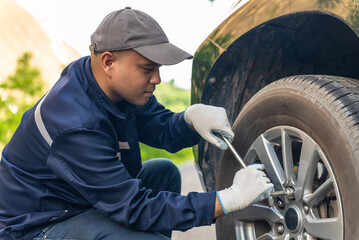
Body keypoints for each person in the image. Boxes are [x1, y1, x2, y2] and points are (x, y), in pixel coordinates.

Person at [0, 7, 274, 240]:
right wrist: (226, 200)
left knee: (164, 173)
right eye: (147, 69)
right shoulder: (74, 124)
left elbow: (162, 129)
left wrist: (190, 120)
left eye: (158, 69)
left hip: (77, 200)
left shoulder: (111, 85)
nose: (157, 79)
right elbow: (135, 207)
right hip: (36, 226)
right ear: (109, 62)